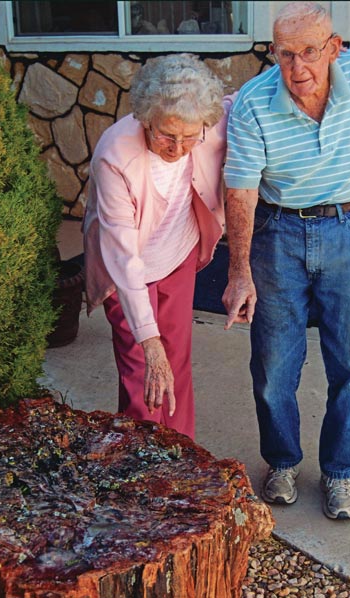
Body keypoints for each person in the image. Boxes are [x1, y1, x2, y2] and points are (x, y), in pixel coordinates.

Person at [222, 1, 350, 519]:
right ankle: (281, 462)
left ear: (334, 48)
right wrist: (239, 272)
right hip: (277, 234)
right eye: (285, 54)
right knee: (274, 365)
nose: (297, 68)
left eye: (309, 52)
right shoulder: (256, 102)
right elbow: (241, 191)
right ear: (273, 52)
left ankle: (340, 474)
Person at [83, 54, 231, 439]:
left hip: (177, 256)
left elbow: (253, 96)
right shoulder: (115, 155)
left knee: (176, 363)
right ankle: (142, 474)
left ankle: (182, 462)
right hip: (126, 270)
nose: (178, 147)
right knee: (142, 371)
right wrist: (150, 343)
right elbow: (123, 256)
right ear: (145, 119)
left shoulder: (207, 123)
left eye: (189, 136)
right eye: (166, 135)